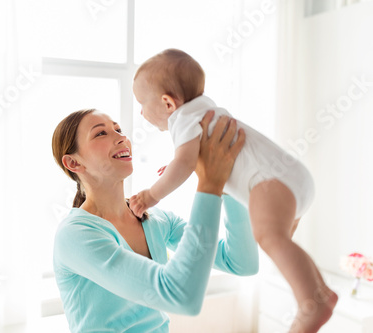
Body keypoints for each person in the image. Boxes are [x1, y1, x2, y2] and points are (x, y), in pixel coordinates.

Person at [130, 48, 338, 332]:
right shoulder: (205, 110)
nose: (141, 111)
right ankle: (319, 292)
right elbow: (190, 159)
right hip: (293, 180)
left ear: (167, 103)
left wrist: (150, 195)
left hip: (271, 183)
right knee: (280, 244)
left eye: (142, 103)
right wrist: (177, 165)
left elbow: (186, 161)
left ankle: (311, 304)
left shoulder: (182, 120)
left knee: (269, 237)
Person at [51, 108, 258, 332]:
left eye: (118, 129)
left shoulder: (156, 220)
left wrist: (226, 184)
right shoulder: (75, 235)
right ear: (73, 163)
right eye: (101, 133)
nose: (121, 137)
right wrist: (210, 185)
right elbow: (181, 297)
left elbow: (241, 263)